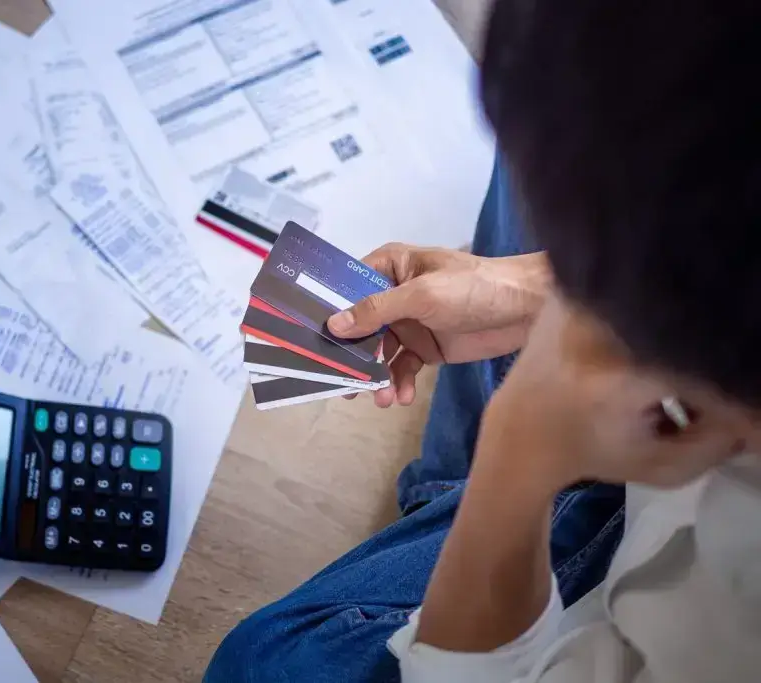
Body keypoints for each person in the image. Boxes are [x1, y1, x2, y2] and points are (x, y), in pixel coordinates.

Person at [204, 0, 761, 681]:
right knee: (563, 100)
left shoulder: (728, 629)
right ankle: (443, 526)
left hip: (635, 554)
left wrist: (518, 451)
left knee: (262, 665)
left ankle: (448, 518)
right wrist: (526, 287)